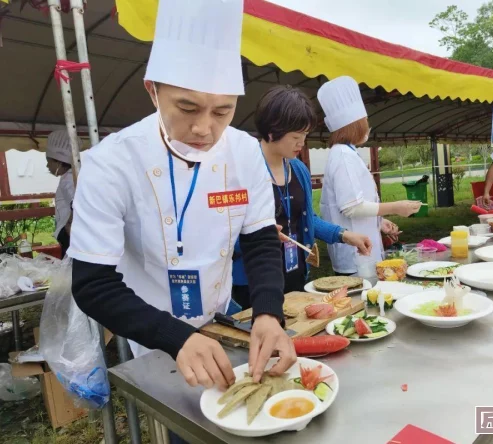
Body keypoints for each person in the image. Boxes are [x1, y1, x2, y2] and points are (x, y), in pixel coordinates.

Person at [68, 0, 295, 415]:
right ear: (153, 90)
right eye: (187, 108)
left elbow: (261, 240)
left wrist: (268, 313)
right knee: (181, 423)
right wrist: (176, 338)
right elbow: (92, 284)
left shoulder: (245, 154)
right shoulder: (111, 163)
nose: (204, 129)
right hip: (151, 330)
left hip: (220, 318)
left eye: (223, 111)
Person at [231, 85, 373, 309]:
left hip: (295, 274)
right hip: (254, 283)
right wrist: (258, 237)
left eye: (305, 135)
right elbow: (222, 234)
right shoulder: (241, 171)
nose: (302, 143)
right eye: (296, 136)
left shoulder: (298, 170)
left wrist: (344, 235)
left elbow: (307, 219)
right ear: (271, 131)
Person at [316, 76, 422, 276]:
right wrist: (396, 207)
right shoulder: (342, 155)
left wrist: (380, 222)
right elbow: (351, 206)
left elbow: (358, 201)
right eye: (365, 121)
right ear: (355, 125)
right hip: (355, 256)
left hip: (362, 251)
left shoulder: (347, 153)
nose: (368, 126)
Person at [45, 129, 80, 258]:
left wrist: (69, 225)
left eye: (49, 161)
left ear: (59, 162)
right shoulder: (69, 176)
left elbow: (77, 202)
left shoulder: (69, 178)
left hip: (70, 233)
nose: (47, 166)